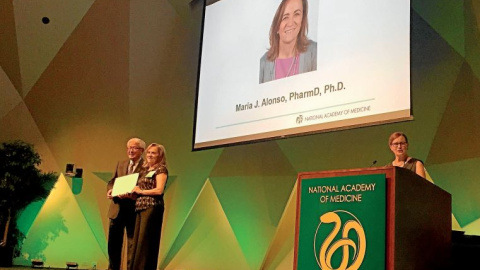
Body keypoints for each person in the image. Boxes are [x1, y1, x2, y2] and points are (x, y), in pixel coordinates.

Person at [106, 138, 146, 270]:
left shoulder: (146, 166)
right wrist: (110, 190)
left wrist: (134, 194)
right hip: (117, 208)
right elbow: (112, 181)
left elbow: (145, 186)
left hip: (133, 209)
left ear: (142, 150)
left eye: (134, 147)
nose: (130, 150)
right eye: (129, 147)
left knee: (132, 245)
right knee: (113, 244)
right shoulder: (121, 164)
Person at [129, 143, 168, 270]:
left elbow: (159, 190)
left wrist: (141, 192)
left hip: (152, 208)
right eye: (149, 152)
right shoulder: (144, 171)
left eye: (153, 153)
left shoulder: (161, 169)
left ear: (160, 155)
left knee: (146, 242)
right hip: (140, 207)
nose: (150, 155)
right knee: (138, 242)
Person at [259, 0, 317, 84]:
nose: (290, 23)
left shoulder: (314, 52)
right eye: (285, 17)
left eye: (296, 14)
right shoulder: (264, 63)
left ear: (302, 19)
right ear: (276, 25)